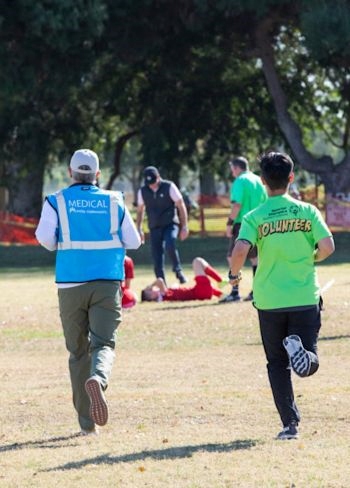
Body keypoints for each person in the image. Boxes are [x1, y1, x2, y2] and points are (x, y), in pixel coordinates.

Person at [228, 151, 335, 440]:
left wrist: (234, 276)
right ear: (291, 178)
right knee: (309, 359)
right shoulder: (307, 211)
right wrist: (312, 256)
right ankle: (305, 355)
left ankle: (290, 425)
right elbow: (328, 246)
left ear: (263, 181)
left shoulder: (255, 216)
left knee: (276, 363)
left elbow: (239, 251)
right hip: (303, 297)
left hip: (269, 300)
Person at [35, 148, 141, 435]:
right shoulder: (114, 200)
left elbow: (45, 239)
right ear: (98, 174)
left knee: (77, 351)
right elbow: (134, 240)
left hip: (70, 284)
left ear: (70, 172)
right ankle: (99, 378)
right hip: (107, 282)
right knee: (103, 344)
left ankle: (86, 424)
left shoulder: (56, 201)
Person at [220, 156, 267, 303]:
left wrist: (229, 223)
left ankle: (234, 292)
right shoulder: (259, 180)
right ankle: (257, 290)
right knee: (255, 258)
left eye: (232, 169)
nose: (232, 172)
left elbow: (237, 205)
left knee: (231, 256)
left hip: (243, 223)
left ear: (236, 168)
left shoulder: (240, 181)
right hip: (260, 222)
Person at [136, 166, 189, 284]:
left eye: (154, 182)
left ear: (159, 177)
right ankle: (161, 282)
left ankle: (178, 270)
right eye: (149, 183)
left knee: (170, 243)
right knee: (156, 255)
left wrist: (184, 226)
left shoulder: (169, 186)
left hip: (170, 223)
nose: (152, 185)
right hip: (154, 226)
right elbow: (140, 211)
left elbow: (181, 205)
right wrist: (139, 229)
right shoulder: (143, 191)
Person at [141, 257, 223, 302]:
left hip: (200, 293)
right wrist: (149, 286)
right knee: (197, 261)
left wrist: (173, 287)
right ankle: (221, 281)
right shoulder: (161, 296)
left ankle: (221, 294)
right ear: (151, 296)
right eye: (151, 290)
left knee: (207, 285)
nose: (154, 288)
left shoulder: (166, 294)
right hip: (200, 293)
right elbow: (160, 280)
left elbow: (175, 286)